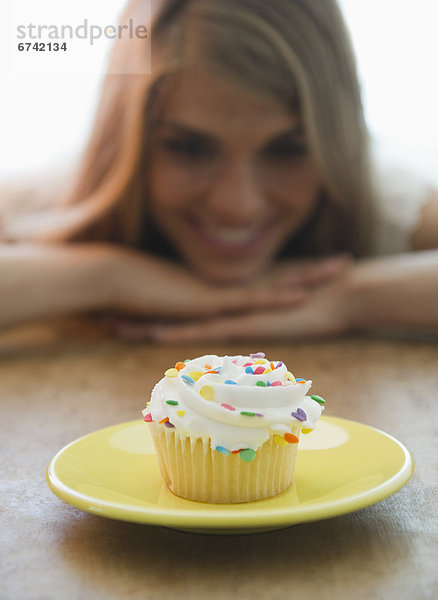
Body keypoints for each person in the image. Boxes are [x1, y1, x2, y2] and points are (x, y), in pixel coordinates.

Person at [1, 0, 437, 343]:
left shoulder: (385, 206)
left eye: (288, 150)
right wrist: (107, 276)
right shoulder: (51, 202)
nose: (237, 205)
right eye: (189, 148)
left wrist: (347, 299)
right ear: (130, 142)